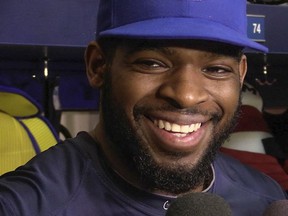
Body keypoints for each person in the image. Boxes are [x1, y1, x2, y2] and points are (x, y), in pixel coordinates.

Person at [0, 0, 287, 215]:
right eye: (152, 63)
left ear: (241, 74)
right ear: (98, 66)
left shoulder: (264, 198)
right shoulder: (22, 205)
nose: (186, 95)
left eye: (216, 69)